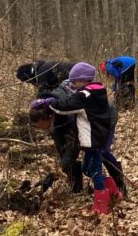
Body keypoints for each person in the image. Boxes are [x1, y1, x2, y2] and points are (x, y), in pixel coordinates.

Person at [35, 62, 116, 214]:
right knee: (87, 168)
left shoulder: (86, 95)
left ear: (84, 80)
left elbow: (66, 106)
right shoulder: (95, 91)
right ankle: (113, 191)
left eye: (75, 81)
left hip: (94, 140)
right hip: (93, 138)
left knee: (95, 171)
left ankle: (101, 203)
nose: (73, 84)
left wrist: (49, 102)